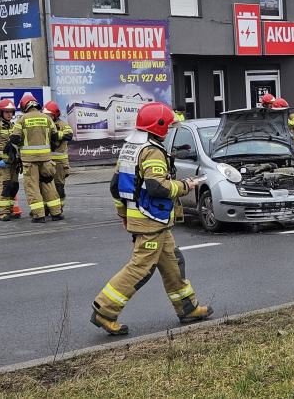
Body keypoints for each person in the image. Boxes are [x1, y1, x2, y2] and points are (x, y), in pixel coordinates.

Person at [91, 102, 213, 335]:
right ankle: (105, 311)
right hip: (151, 220)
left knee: (173, 263)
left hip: (149, 220)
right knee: (140, 269)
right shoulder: (152, 151)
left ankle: (188, 308)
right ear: (157, 126)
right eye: (167, 126)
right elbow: (157, 187)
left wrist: (123, 215)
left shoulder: (131, 146)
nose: (168, 131)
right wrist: (185, 185)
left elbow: (116, 187)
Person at [9, 94, 62, 223]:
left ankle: (39, 215)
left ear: (24, 106)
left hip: (30, 161)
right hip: (46, 160)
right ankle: (56, 213)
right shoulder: (46, 118)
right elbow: (55, 137)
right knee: (49, 185)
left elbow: (15, 139)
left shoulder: (22, 119)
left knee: (32, 187)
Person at [0, 99, 21, 221]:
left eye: (11, 112)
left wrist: (19, 159)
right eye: (6, 112)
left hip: (12, 163)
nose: (9, 114)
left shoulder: (13, 126)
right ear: (0, 112)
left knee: (14, 186)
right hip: (0, 163)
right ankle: (3, 212)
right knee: (5, 186)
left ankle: (11, 210)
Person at [41, 102, 73, 211]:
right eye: (45, 115)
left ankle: (58, 208)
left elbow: (69, 135)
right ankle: (45, 208)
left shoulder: (63, 125)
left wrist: (56, 135)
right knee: (45, 186)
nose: (47, 118)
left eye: (49, 115)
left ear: (55, 115)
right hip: (46, 162)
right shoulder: (42, 125)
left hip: (60, 164)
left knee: (59, 187)